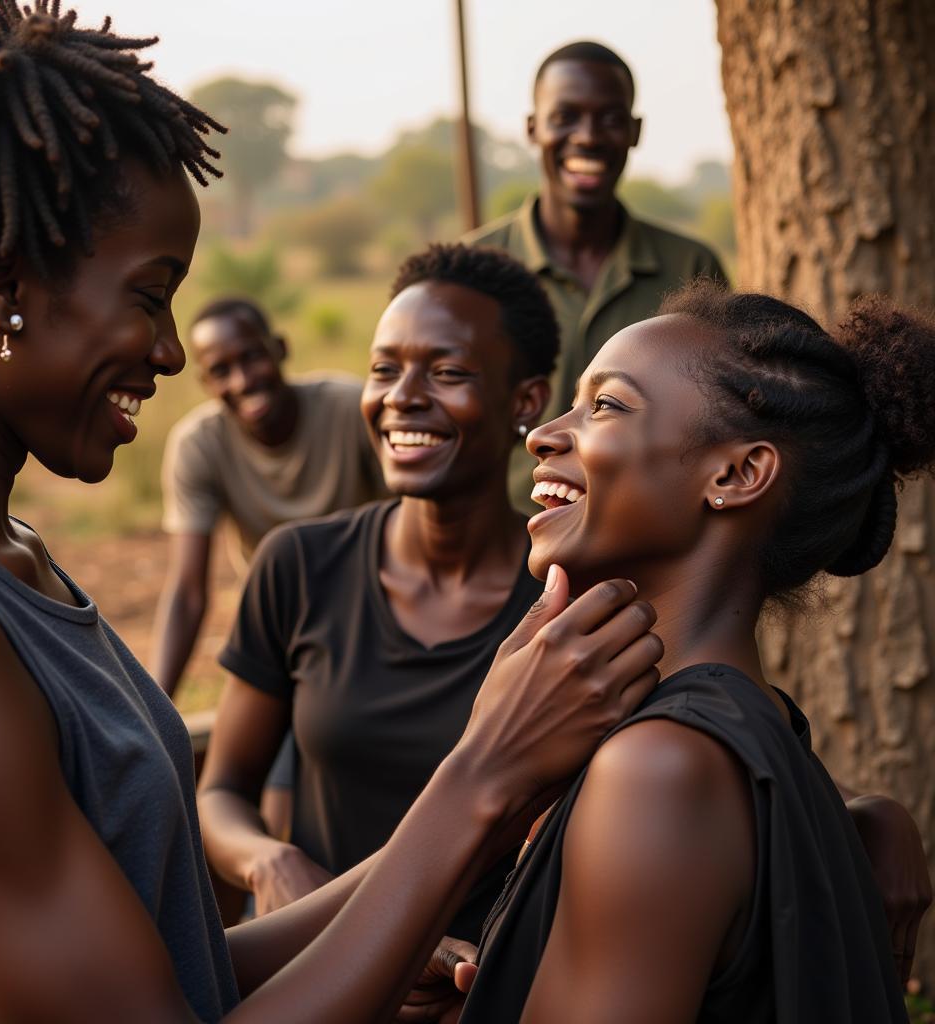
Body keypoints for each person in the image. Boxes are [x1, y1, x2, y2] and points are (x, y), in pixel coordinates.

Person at [0, 5, 668, 1021]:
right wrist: (482, 775)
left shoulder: (13, 560)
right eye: (150, 295)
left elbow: (179, 966)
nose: (172, 353)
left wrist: (480, 809)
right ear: (3, 285)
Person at [457, 282, 935, 1022]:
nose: (544, 434)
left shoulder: (661, 768)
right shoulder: (748, 729)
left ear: (737, 475)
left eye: (606, 406)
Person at [197, 243, 559, 940]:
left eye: (448, 371)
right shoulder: (299, 566)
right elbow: (220, 791)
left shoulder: (568, 600)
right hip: (323, 970)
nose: (402, 397)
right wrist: (269, 861)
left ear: (527, 401)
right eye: (384, 370)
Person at [463, 40, 727, 510]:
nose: (587, 137)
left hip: (642, 538)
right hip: (504, 544)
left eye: (609, 119)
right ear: (532, 128)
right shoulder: (473, 269)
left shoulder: (691, 268)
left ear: (634, 130)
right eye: (564, 117)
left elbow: (716, 420)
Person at [152, 296, 383, 700]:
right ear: (206, 383)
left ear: (280, 349)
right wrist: (152, 705)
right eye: (221, 371)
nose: (242, 381)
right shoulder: (200, 446)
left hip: (374, 605)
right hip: (281, 623)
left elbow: (415, 516)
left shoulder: (349, 409)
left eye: (252, 357)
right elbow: (188, 592)